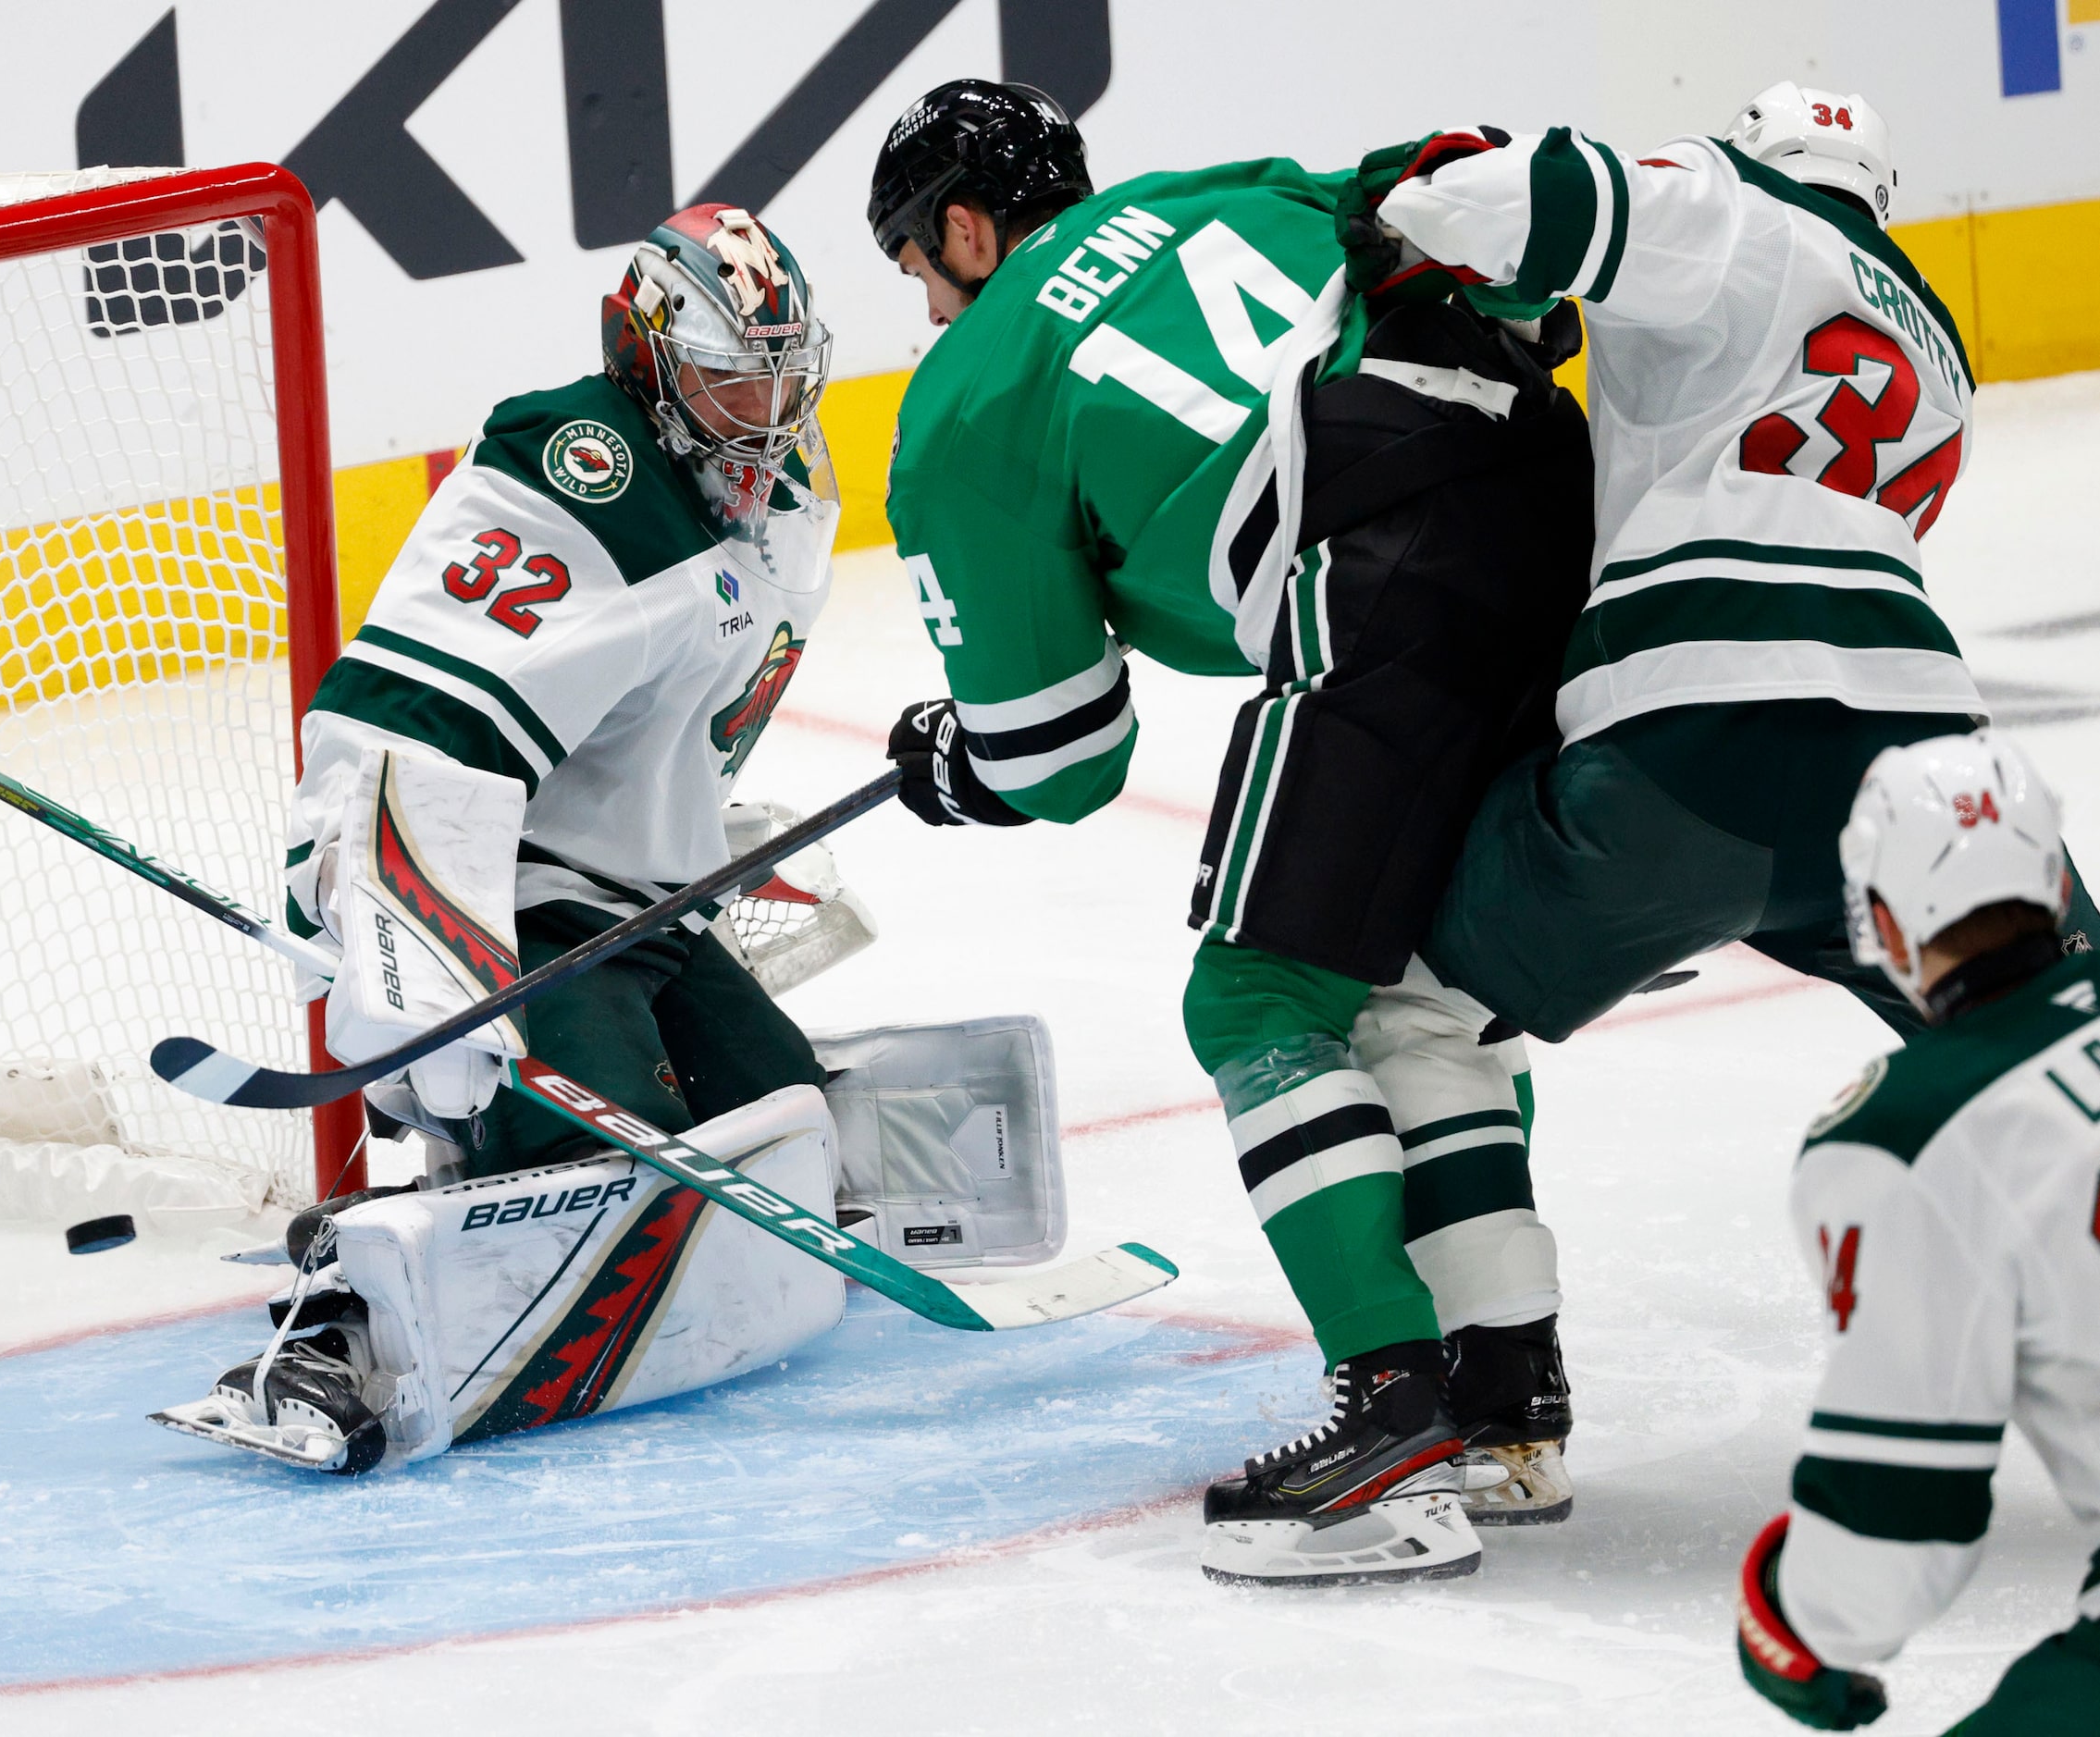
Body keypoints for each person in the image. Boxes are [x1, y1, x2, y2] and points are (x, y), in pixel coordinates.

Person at [868, 80, 1596, 1583]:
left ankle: (1392, 1425)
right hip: (1556, 499)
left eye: (916, 275)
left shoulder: (967, 396)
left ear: (959, 227)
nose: (926, 312)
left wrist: (954, 761)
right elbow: (1448, 208)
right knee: (1405, 982)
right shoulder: (1224, 187)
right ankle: (1503, 1392)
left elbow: (1058, 755)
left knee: (1258, 993)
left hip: (1378, 558)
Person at [155, 204, 853, 1475]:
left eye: (780, 383)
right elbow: (403, 728)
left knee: (782, 1123)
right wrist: (402, 942)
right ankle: (337, 1323)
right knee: (588, 1157)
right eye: (724, 381)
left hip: (643, 908)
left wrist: (705, 823)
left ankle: (494, 1184)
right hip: (519, 905)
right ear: (643, 355)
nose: (760, 418)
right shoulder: (574, 469)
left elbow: (671, 703)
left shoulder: (790, 495)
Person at [1342, 83, 2097, 1053]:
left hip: (1693, 745)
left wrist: (1407, 188)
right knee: (2064, 1046)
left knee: (1414, 1018)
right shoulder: (1941, 347)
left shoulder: (1727, 198)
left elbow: (1506, 199)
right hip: (1923, 746)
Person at [1735, 730, 2099, 1733]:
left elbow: (1896, 1539)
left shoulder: (1912, 1133)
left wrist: (1791, 1612)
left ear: (1883, 923)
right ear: (2059, 890)